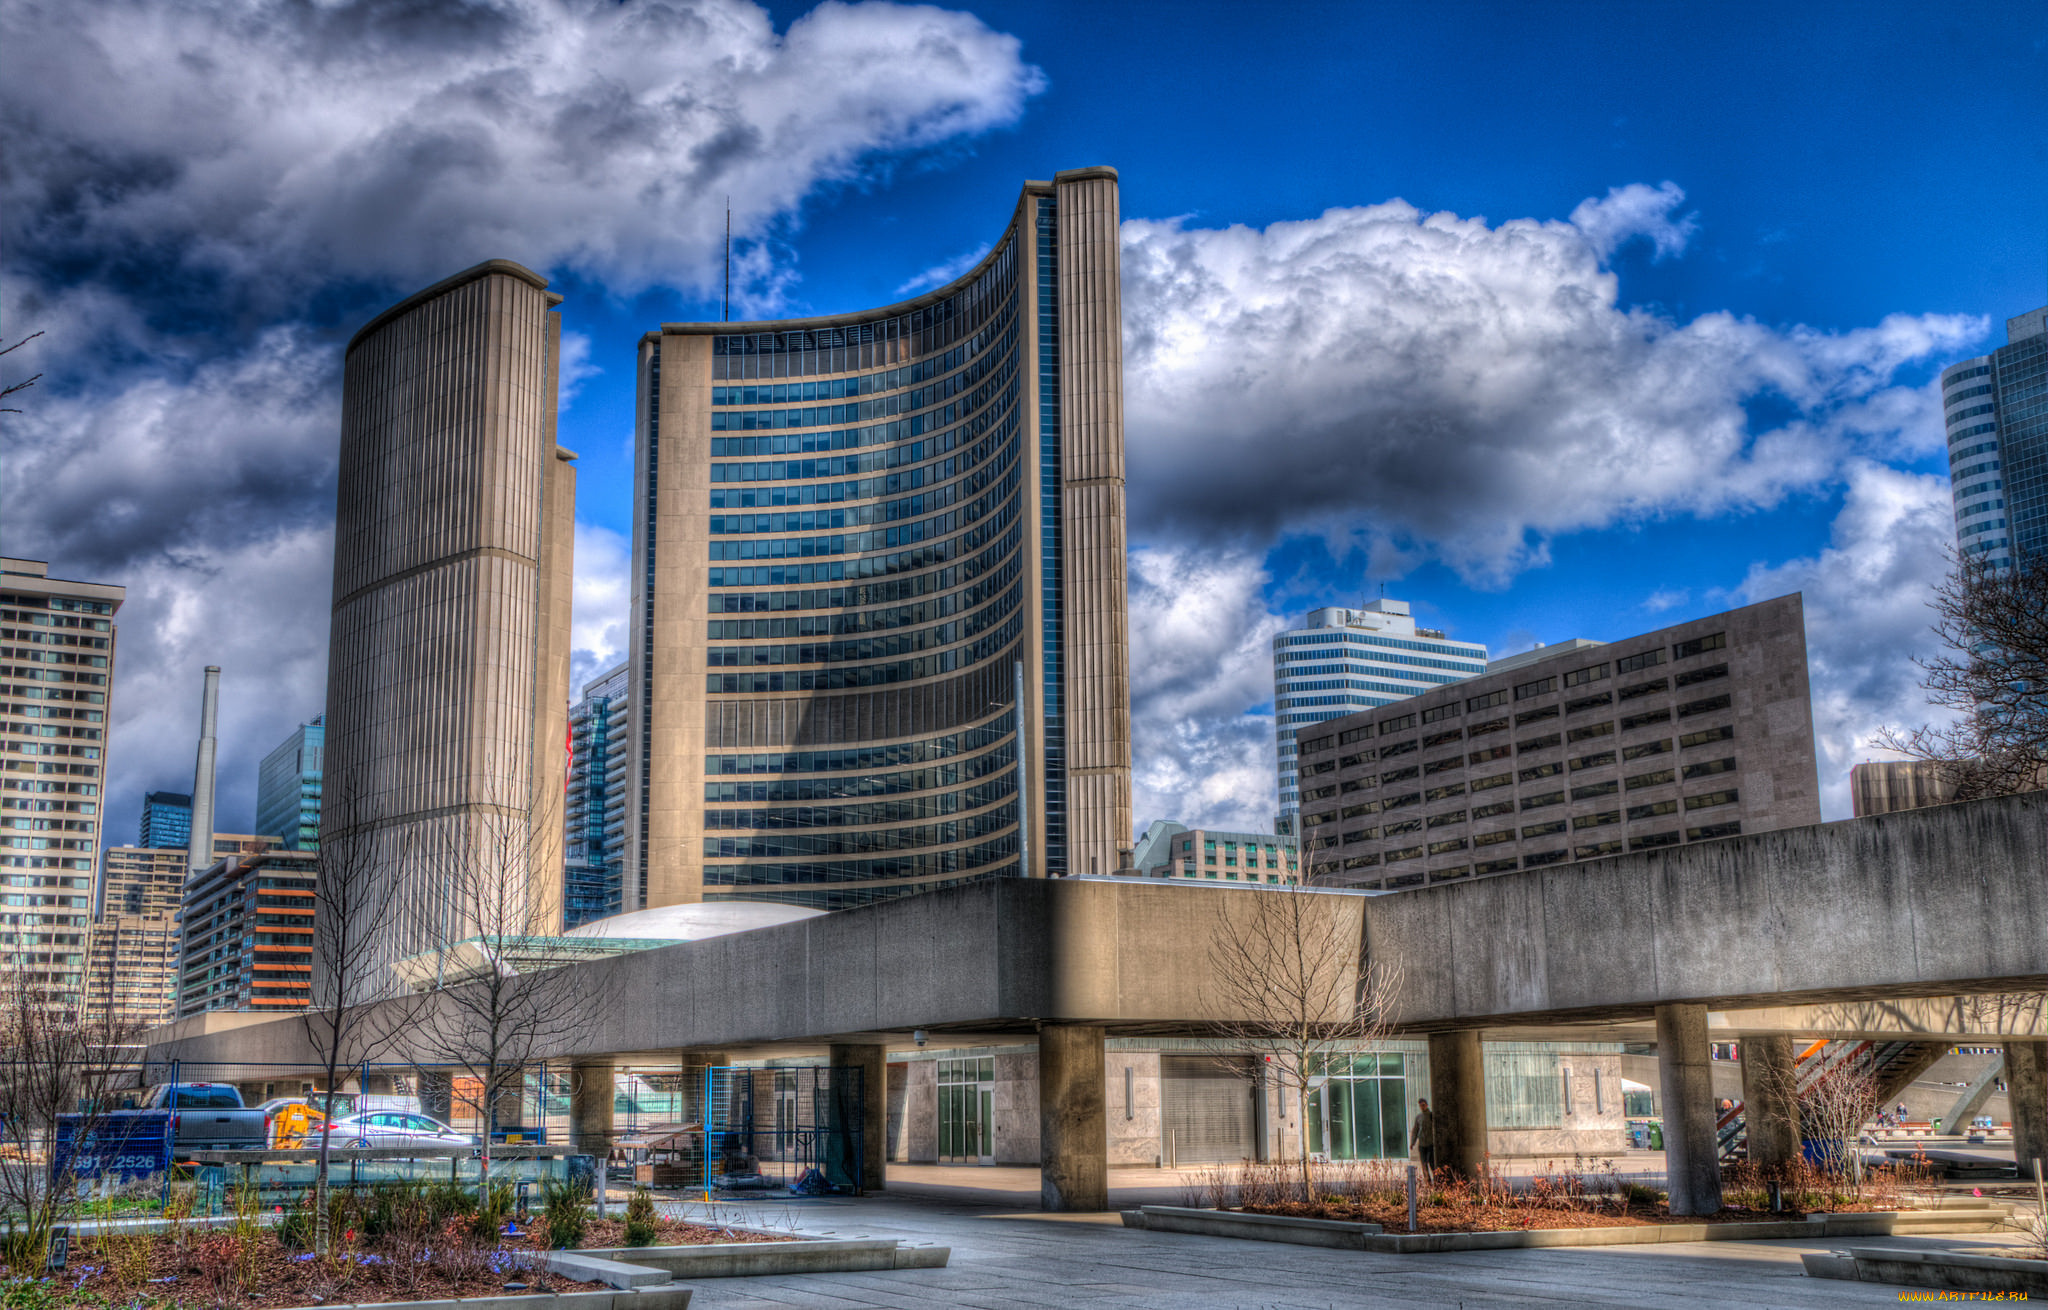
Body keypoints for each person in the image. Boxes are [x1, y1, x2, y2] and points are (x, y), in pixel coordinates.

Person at [1410, 1097, 1437, 1173]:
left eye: (1423, 1105)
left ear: (1427, 1105)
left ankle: (1436, 1181)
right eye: (1421, 1105)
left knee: (1432, 1164)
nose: (1422, 1107)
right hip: (1422, 1144)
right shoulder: (1418, 1117)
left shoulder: (1431, 1115)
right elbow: (1415, 1130)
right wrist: (1412, 1142)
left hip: (1430, 1144)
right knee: (1424, 1165)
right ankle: (1427, 1182)